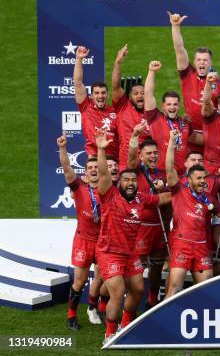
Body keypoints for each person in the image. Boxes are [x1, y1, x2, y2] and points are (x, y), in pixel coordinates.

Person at [93, 131, 171, 344]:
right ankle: (110, 335)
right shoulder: (110, 195)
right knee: (118, 293)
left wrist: (185, 191)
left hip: (130, 253)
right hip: (109, 252)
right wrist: (101, 150)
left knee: (137, 289)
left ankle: (125, 324)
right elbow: (102, 174)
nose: (129, 183)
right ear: (119, 182)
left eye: (133, 180)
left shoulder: (140, 198)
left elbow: (162, 198)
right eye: (125, 180)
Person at [164, 131, 220, 298]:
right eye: (198, 178)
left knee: (206, 291)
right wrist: (171, 141)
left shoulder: (209, 199)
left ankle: (200, 322)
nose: (202, 181)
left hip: (201, 247)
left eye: (204, 178)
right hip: (182, 243)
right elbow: (169, 167)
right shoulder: (179, 189)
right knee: (175, 289)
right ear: (189, 179)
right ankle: (167, 322)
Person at [57, 133, 104, 330]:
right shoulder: (79, 187)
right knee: (80, 280)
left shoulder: (109, 189)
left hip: (103, 241)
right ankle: (71, 316)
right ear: (85, 172)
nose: (93, 170)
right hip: (84, 240)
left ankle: (93, 307)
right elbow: (67, 168)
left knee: (103, 278)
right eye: (90, 168)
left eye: (96, 167)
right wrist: (63, 148)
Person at [168, 11, 220, 153]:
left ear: (210, 62)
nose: (202, 63)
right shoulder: (187, 74)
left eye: (205, 60)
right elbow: (179, 50)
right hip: (191, 136)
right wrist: (175, 26)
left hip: (211, 139)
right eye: (199, 60)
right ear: (194, 62)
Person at [126, 124, 169, 309]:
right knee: (138, 267)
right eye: (148, 153)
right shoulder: (135, 171)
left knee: (157, 266)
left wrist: (155, 197)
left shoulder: (164, 174)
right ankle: (130, 301)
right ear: (141, 156)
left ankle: (152, 299)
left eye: (155, 153)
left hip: (159, 227)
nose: (152, 156)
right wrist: (135, 136)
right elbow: (130, 159)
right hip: (141, 227)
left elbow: (171, 196)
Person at [143, 60, 201, 175]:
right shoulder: (154, 118)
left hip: (182, 175)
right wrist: (151, 71)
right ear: (163, 106)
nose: (172, 107)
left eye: (175, 104)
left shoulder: (185, 123)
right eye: (168, 104)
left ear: (179, 106)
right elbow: (148, 94)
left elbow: (194, 140)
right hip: (160, 173)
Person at [73, 46, 118, 159]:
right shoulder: (86, 107)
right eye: (97, 93)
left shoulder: (116, 110)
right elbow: (78, 83)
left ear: (107, 94)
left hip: (113, 157)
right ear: (91, 95)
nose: (100, 96)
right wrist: (79, 59)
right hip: (93, 155)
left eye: (103, 93)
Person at [110, 44, 150, 171]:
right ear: (130, 97)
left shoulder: (153, 113)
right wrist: (118, 62)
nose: (140, 96)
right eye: (136, 93)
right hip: (126, 166)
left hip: (147, 167)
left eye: (143, 93)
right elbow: (116, 86)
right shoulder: (123, 107)